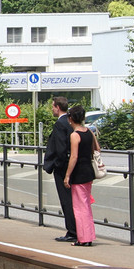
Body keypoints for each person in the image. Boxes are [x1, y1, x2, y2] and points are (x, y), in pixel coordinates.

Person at [43, 96, 76, 242]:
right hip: (73, 167)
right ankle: (77, 230)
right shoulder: (71, 122)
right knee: (75, 200)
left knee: (66, 200)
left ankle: (72, 231)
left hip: (63, 168)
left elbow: (60, 148)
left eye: (52, 106)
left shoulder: (60, 124)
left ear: (57, 107)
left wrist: (58, 166)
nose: (52, 109)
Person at [63, 105, 96, 246]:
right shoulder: (89, 132)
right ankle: (88, 236)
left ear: (71, 119)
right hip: (89, 171)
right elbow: (96, 148)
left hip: (79, 173)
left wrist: (67, 175)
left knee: (79, 207)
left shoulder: (74, 135)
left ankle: (83, 238)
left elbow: (74, 157)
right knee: (86, 205)